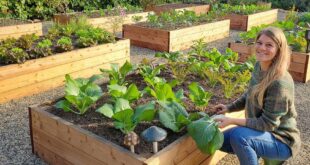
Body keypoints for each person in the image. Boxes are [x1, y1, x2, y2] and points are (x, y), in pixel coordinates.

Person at [214, 27, 301, 165]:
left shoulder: (280, 82)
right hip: (261, 133)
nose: (262, 48)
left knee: (239, 136)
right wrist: (228, 108)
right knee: (219, 141)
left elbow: (268, 124)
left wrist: (232, 120)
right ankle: (258, 150)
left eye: (269, 45)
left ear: (279, 50)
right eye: (259, 43)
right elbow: (250, 94)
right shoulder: (259, 66)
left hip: (281, 140)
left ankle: (266, 154)